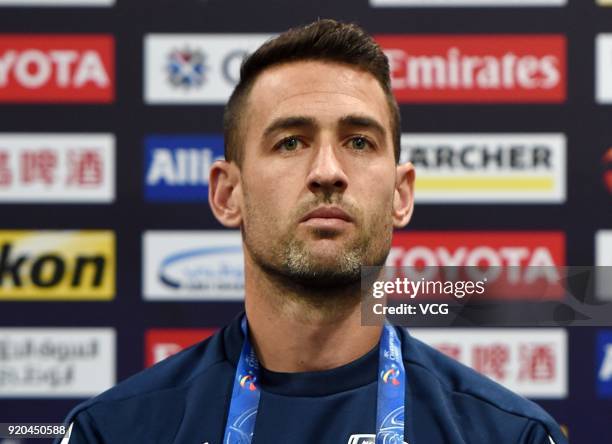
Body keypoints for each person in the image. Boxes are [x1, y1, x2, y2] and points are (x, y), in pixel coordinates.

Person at [58, 19, 568, 444]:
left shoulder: (507, 434)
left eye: (360, 142)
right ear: (226, 193)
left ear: (400, 194)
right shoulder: (113, 431)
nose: (327, 170)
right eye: (291, 142)